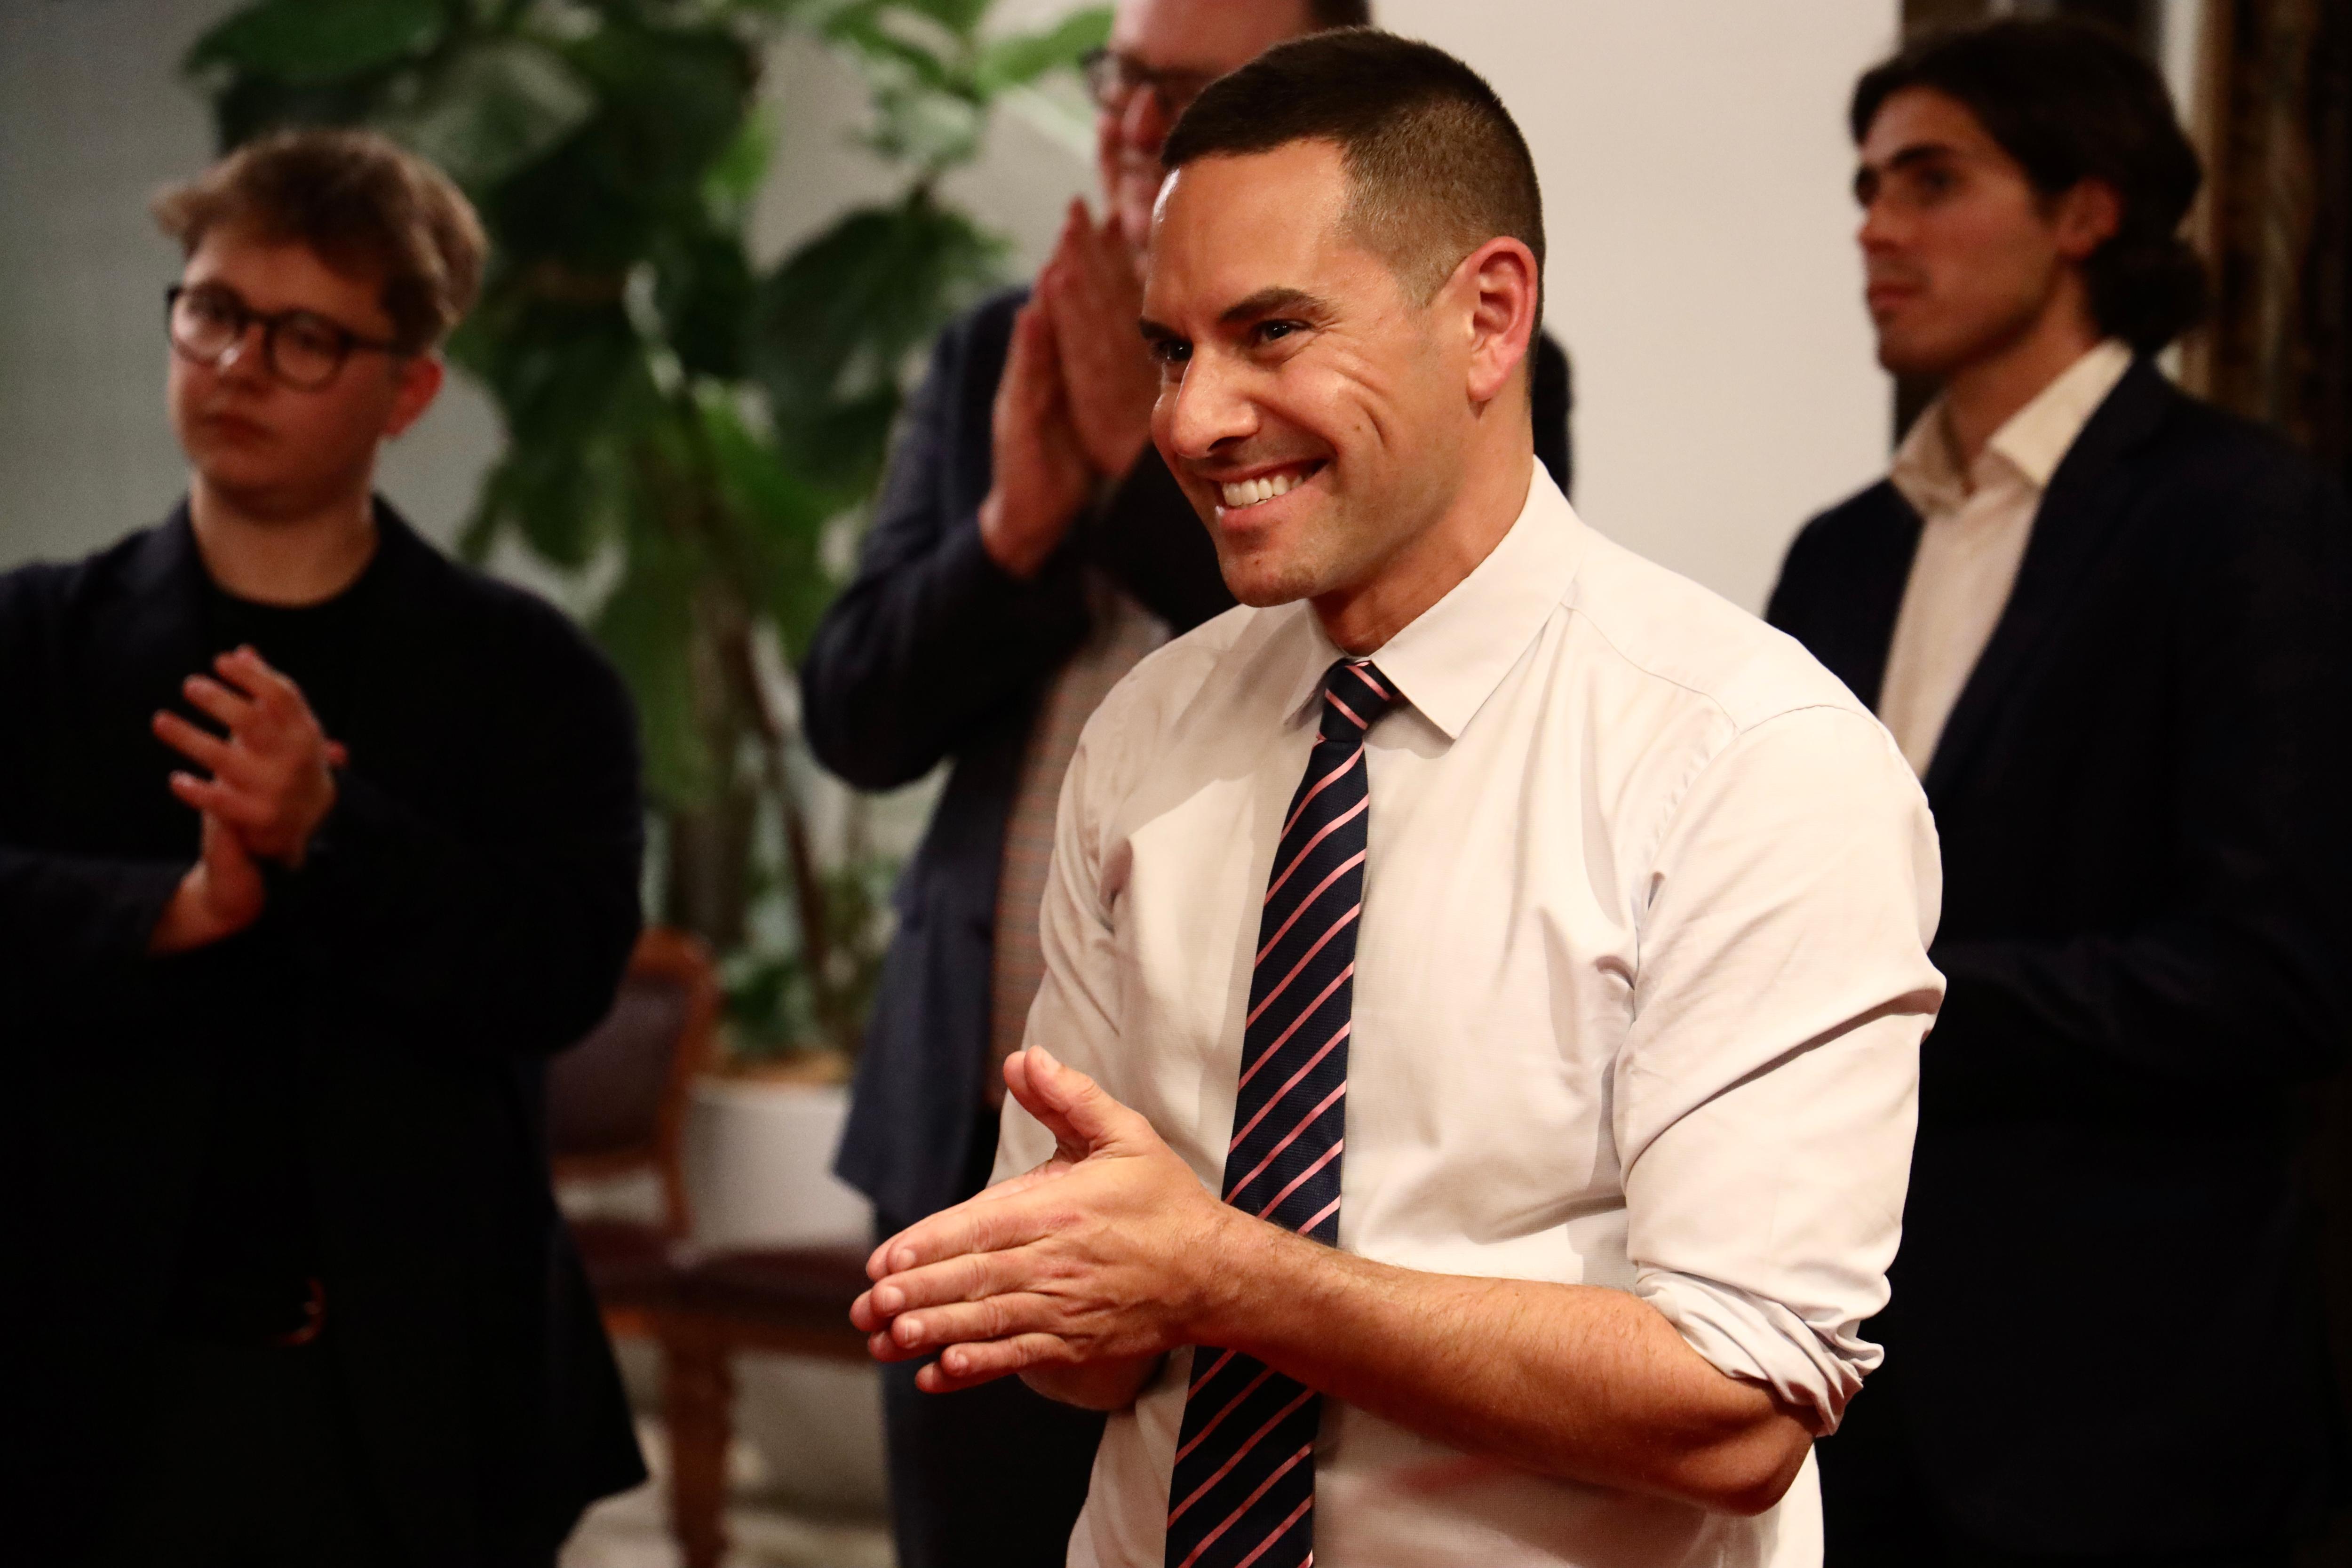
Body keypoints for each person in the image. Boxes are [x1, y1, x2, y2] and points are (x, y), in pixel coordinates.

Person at [848, 31, 1944, 1568]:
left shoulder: (1752, 760)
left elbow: (1739, 1404)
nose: (1191, 419)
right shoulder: (1152, 730)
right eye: (1173, 350)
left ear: (1490, 316)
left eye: (1272, 332)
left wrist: (1223, 1276)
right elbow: (1088, 1345)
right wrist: (1036, 1282)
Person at [799, 0, 1571, 1560]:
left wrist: (1116, 465)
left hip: (1287, 1154)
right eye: (1122, 80)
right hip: (983, 1100)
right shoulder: (988, 350)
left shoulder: (1466, 363)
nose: (1137, 122)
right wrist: (1016, 528)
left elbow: (1375, 638)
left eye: (1190, 88)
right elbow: (858, 712)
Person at [0, 129, 646, 1567]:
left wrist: (333, 831)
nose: (234, 364)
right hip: (78, 1377)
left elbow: (562, 967)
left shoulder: (527, 674)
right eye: (214, 311)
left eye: (303, 338)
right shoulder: (35, 638)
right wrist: (164, 911)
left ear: (405, 389)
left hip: (407, 1397)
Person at [1765, 20, 2352, 1566]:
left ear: (2087, 212)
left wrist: (1909, 997)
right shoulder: (1843, 550)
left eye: (1931, 181)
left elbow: (2283, 972)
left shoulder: (2242, 515)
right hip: (1835, 1376)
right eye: (1868, 185)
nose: (1876, 227)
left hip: (2124, 1406)